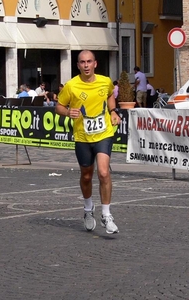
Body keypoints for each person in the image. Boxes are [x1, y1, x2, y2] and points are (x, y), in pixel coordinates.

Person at [55, 50, 121, 234]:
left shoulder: (105, 81)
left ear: (95, 64)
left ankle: (106, 215)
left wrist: (114, 111)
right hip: (82, 136)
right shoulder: (71, 85)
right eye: (82, 62)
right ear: (78, 65)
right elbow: (58, 106)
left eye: (89, 62)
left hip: (103, 134)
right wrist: (68, 112)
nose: (86, 65)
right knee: (86, 175)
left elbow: (109, 95)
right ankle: (88, 209)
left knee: (103, 172)